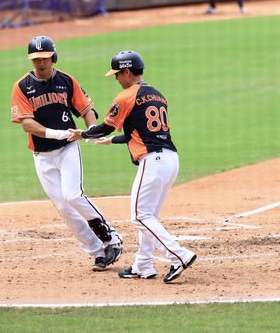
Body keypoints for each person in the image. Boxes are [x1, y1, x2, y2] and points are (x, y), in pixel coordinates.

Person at [71, 51, 197, 283]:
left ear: (127, 72)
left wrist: (83, 134)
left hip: (153, 162)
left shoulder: (126, 96)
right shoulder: (157, 94)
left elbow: (106, 127)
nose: (117, 79)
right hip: (170, 160)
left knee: (140, 217)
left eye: (117, 74)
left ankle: (179, 256)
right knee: (149, 216)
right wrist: (113, 141)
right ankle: (143, 265)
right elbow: (138, 133)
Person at [10, 36, 123, 271]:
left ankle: (111, 238)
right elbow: (27, 124)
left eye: (45, 58)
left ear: (53, 57)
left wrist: (91, 131)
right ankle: (98, 251)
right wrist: (56, 133)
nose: (41, 63)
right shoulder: (22, 86)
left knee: (73, 195)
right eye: (36, 59)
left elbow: (87, 109)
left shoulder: (66, 81)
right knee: (63, 206)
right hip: (42, 155)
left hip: (68, 149)